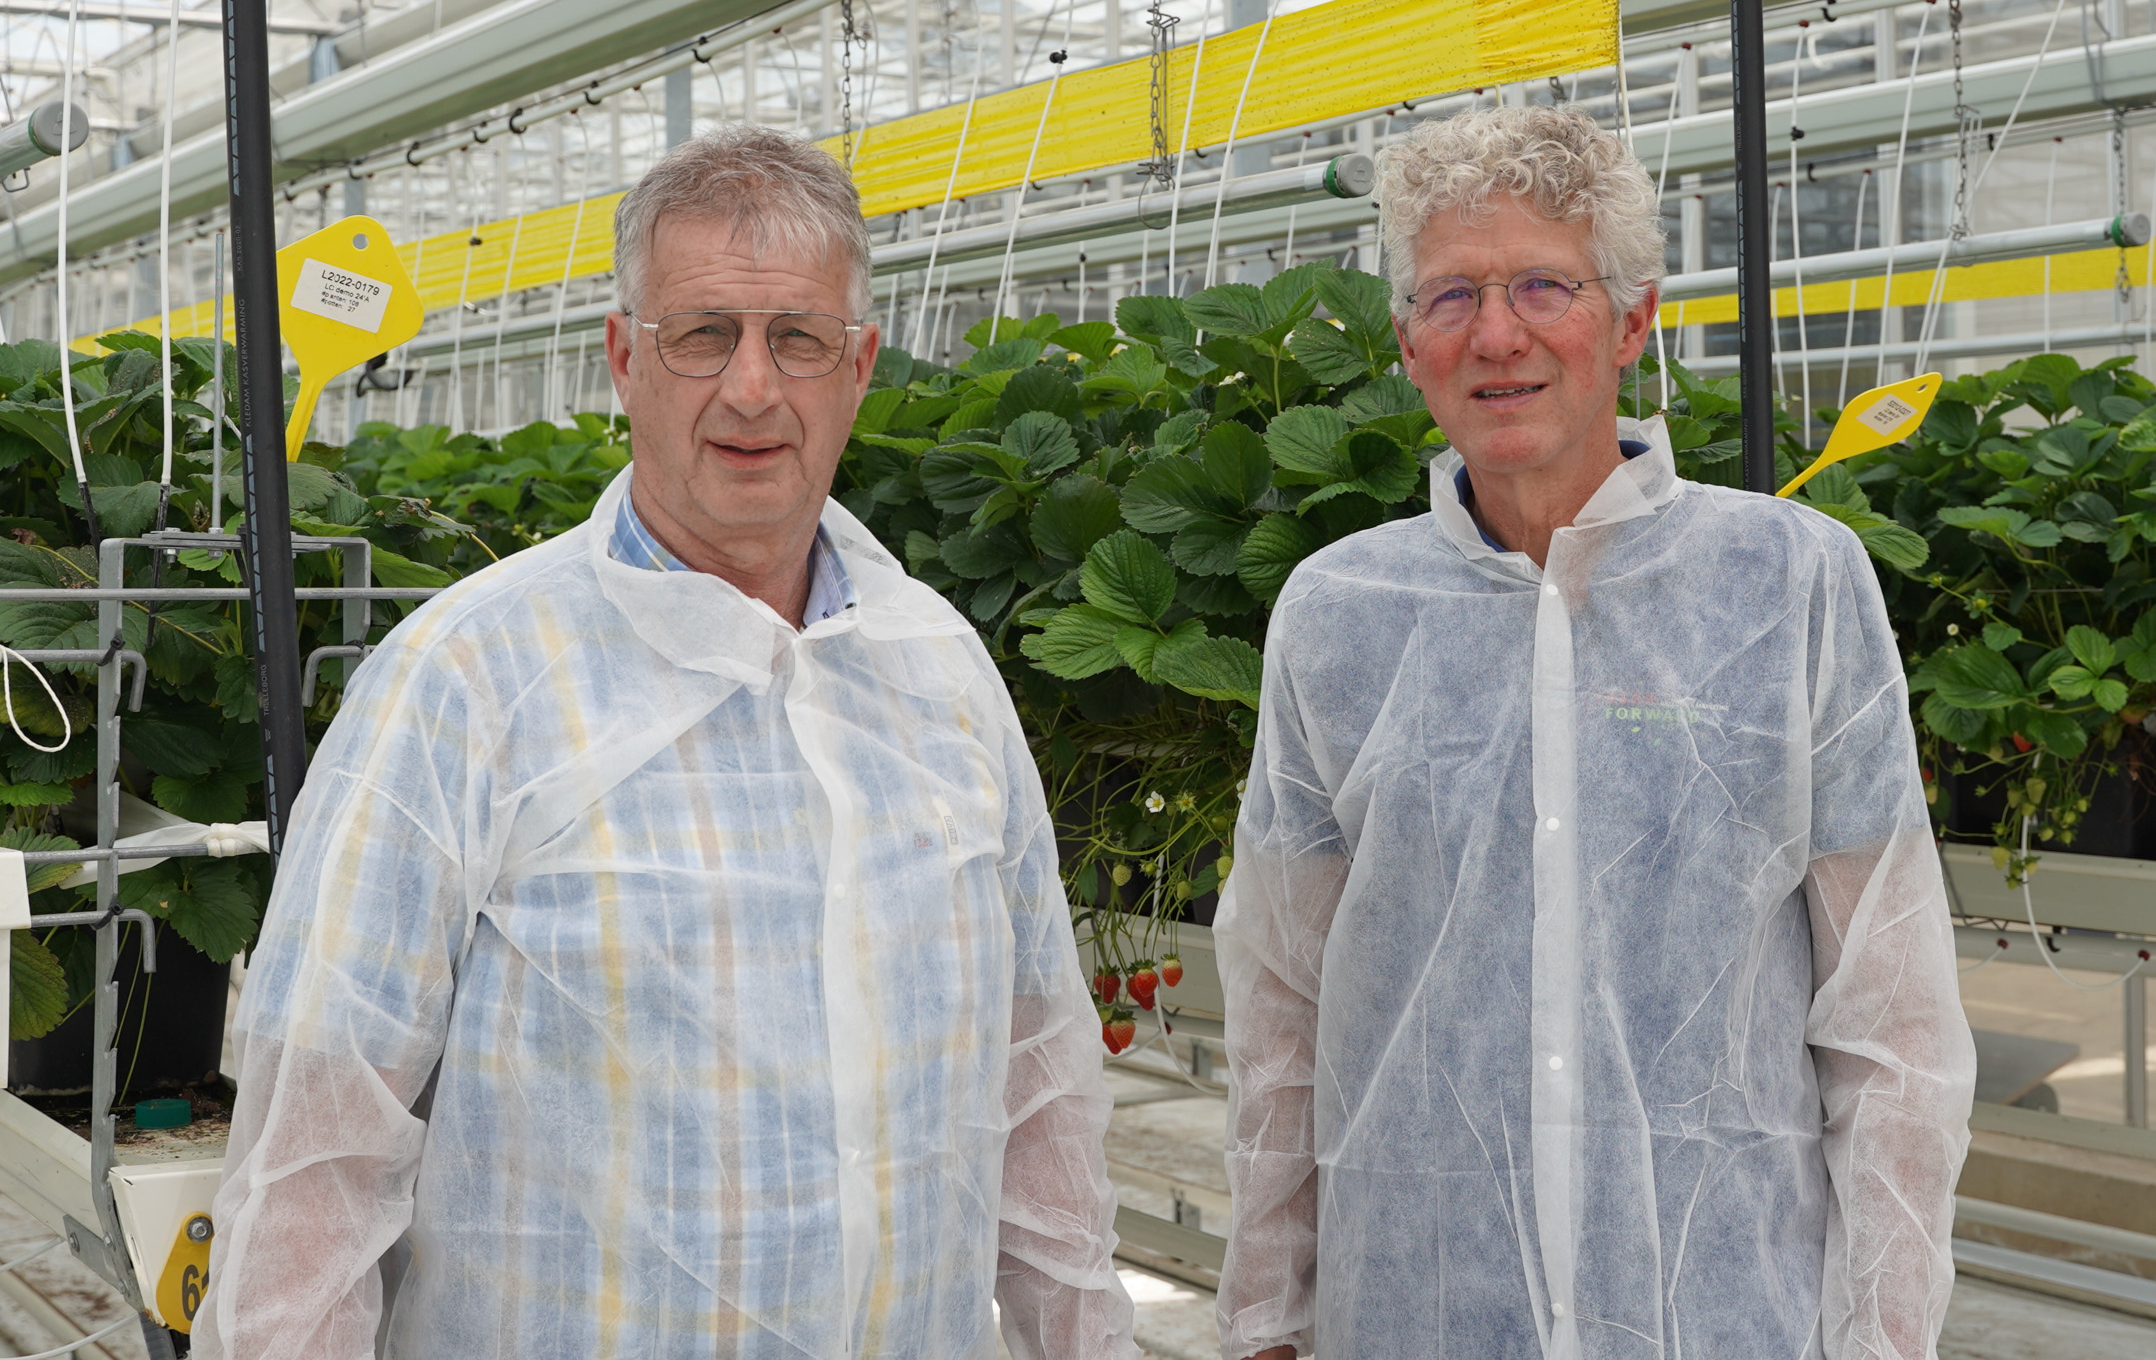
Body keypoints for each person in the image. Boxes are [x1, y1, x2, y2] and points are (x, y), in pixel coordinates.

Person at [194, 126, 1137, 1360]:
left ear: (858, 368)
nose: (752, 387)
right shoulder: (465, 680)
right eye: (703, 335)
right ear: (624, 359)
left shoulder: (940, 671)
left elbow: (1040, 1099)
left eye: (797, 338)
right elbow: (315, 1162)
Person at [1213, 106, 1975, 1360]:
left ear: (1631, 320)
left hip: (1720, 1317)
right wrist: (1264, 1319)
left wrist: (1882, 1339)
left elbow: (1888, 1025)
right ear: (1406, 342)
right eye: (1450, 294)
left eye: (1541, 285)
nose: (1495, 332)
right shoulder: (1340, 615)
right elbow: (1280, 1018)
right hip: (1418, 1312)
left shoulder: (1788, 584)